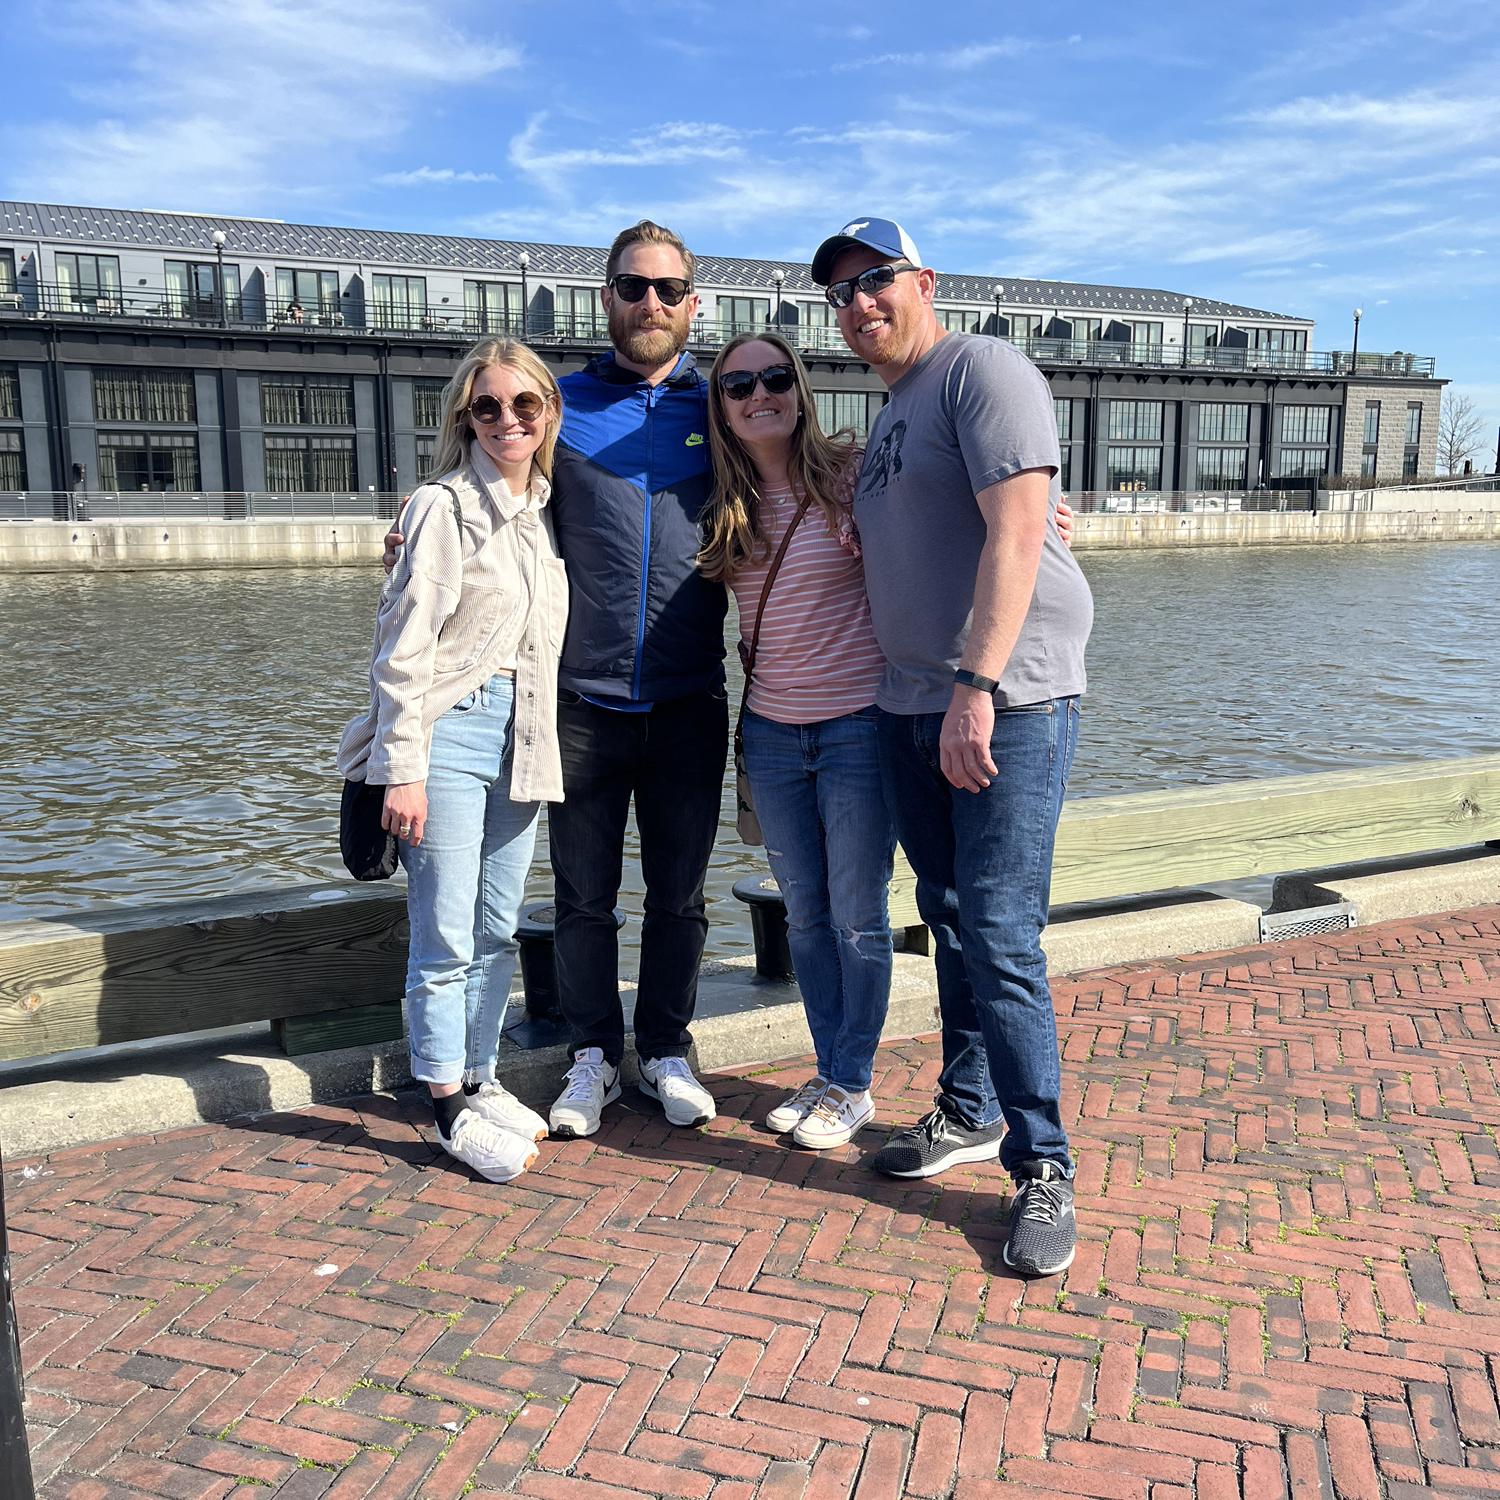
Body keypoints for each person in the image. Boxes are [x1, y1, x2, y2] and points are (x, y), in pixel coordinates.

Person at [383, 221, 725, 1140]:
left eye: (666, 289)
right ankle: (590, 1054)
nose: (648, 303)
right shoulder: (556, 408)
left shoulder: (724, 407)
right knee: (580, 897)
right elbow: (479, 489)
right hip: (576, 702)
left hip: (691, 695)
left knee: (681, 896)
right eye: (630, 287)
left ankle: (663, 1048)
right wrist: (411, 526)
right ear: (605, 298)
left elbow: (805, 469)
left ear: (692, 303)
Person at [810, 217, 1094, 1277]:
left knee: (1004, 935)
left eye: (875, 280)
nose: (859, 304)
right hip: (909, 703)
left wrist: (977, 686)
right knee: (951, 915)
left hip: (1004, 700)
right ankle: (969, 1110)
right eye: (839, 294)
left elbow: (1021, 530)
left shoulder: (982, 366)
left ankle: (1044, 1166)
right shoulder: (891, 415)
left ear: (924, 280)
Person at [339, 338, 568, 1182]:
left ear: (548, 413)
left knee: (497, 924)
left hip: (525, 736)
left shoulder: (544, 509)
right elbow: (400, 649)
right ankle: (441, 1105)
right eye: (488, 406)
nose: (508, 420)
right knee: (443, 931)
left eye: (524, 405)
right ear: (464, 417)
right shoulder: (442, 507)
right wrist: (400, 764)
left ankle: (479, 1073)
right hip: (451, 732)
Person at [698, 331, 892, 1150]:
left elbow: (951, 520)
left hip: (857, 729)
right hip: (774, 737)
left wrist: (1049, 513)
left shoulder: (852, 478)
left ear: (801, 388)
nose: (758, 394)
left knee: (858, 916)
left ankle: (852, 1082)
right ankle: (829, 1066)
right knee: (806, 916)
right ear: (723, 407)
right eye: (739, 384)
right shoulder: (723, 504)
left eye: (775, 377)